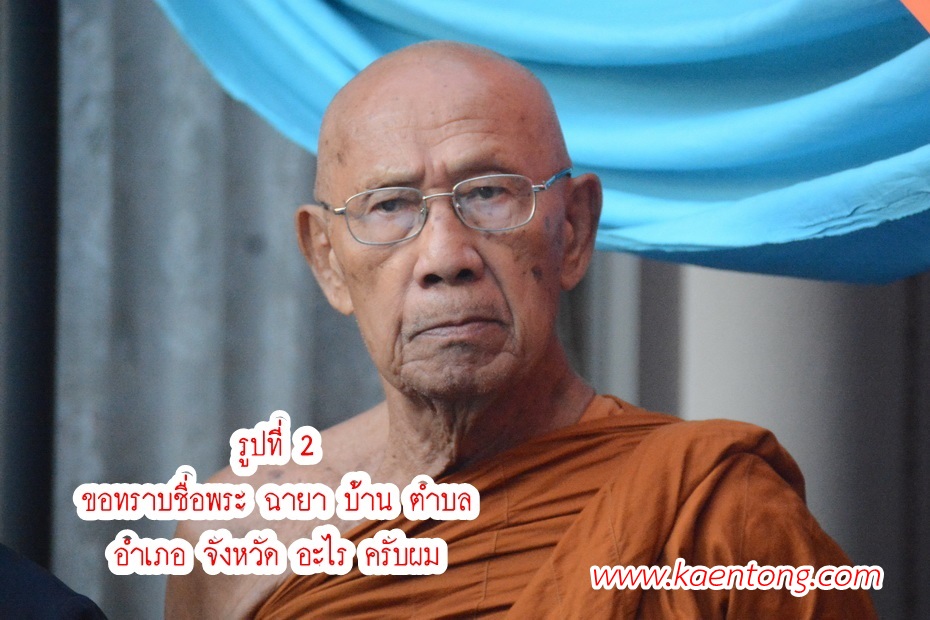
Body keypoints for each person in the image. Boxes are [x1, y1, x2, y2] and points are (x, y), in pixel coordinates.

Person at [166, 41, 876, 618]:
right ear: (326, 260)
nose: (445, 257)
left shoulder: (721, 519)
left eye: (488, 194)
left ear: (574, 232)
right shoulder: (239, 535)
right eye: (389, 206)